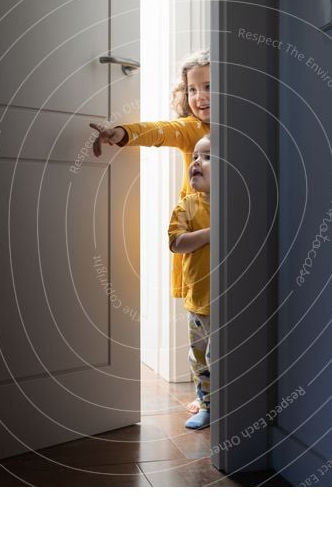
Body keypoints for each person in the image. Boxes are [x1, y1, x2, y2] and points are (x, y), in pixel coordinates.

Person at [89, 49, 210, 415]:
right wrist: (121, 133)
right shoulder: (192, 129)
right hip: (201, 239)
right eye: (192, 90)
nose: (199, 97)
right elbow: (160, 130)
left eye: (209, 86)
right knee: (201, 319)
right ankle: (207, 395)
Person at [168, 135, 211, 429]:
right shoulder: (187, 206)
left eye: (207, 157)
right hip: (199, 302)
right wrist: (212, 232)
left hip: (230, 302)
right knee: (201, 360)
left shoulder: (237, 203)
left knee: (219, 356)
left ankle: (227, 402)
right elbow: (176, 243)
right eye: (195, 156)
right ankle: (207, 405)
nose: (196, 162)